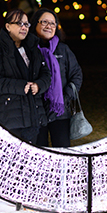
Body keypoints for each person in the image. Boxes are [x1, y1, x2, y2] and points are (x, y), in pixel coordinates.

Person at [0, 9, 51, 144]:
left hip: (34, 115)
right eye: (19, 24)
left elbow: (46, 74)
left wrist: (39, 85)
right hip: (11, 116)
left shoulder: (32, 49)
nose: (24, 27)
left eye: (26, 24)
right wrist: (19, 87)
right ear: (8, 26)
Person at [30, 8, 83, 147]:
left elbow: (76, 75)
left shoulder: (63, 50)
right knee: (38, 152)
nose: (49, 26)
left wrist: (65, 98)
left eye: (53, 23)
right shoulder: (28, 50)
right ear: (35, 24)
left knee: (62, 153)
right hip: (35, 112)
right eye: (44, 22)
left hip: (60, 112)